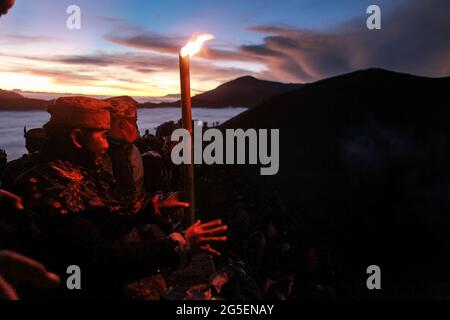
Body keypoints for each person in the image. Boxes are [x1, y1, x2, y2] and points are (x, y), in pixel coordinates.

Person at [13, 96, 227, 299]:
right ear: (77, 138)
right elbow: (100, 259)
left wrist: (151, 210)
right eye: (103, 136)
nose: (106, 146)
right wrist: (180, 244)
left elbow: (107, 214)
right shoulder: (49, 187)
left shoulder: (81, 174)